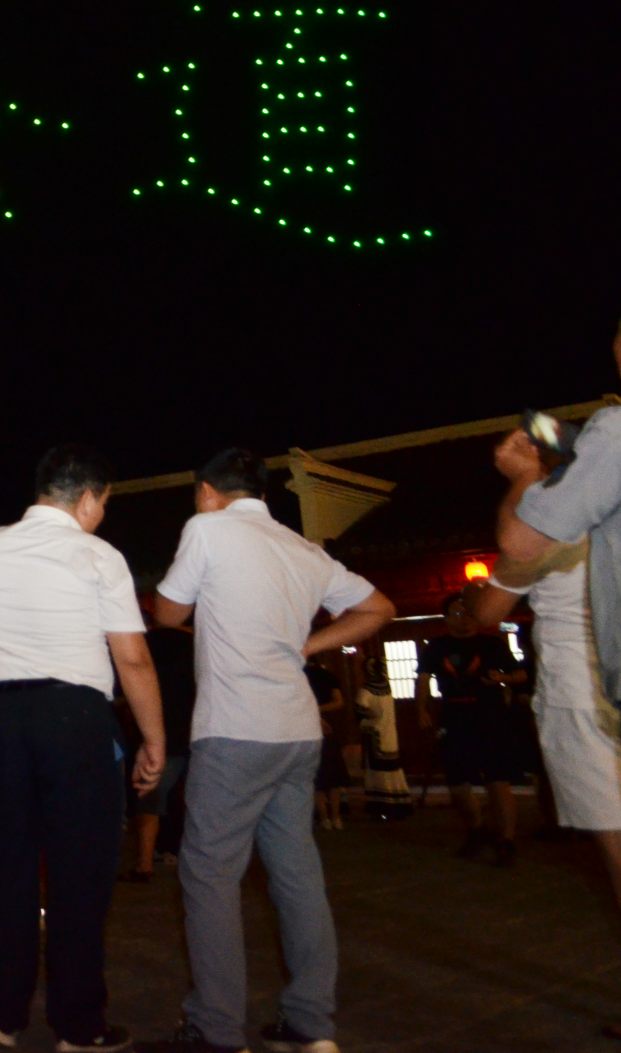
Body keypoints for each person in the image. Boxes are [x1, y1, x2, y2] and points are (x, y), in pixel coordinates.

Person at [139, 448, 395, 1053]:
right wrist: (307, 646)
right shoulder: (303, 549)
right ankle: (310, 1023)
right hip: (298, 731)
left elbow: (169, 611)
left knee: (209, 876)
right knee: (297, 875)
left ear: (208, 491)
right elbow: (379, 608)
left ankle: (216, 1029)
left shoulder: (207, 529)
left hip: (235, 729)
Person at [0, 445, 165, 1053]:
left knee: (11, 865)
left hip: (1, 716)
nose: (101, 515)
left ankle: (1, 1017)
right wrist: (154, 738)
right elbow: (132, 657)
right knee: (79, 873)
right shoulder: (97, 555)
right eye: (103, 504)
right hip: (74, 717)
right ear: (86, 499)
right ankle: (78, 1025)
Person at [471, 532, 621, 1041]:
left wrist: (479, 585)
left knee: (617, 848)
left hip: (584, 693)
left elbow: (487, 610)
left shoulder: (552, 519)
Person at [494, 322, 621, 711]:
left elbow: (521, 542)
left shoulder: (615, 431)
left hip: (572, 688)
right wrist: (574, 440)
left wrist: (525, 475)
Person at [415, 592, 524, 865]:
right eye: (457, 613)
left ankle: (506, 841)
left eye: (469, 613)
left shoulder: (492, 643)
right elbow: (423, 678)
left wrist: (502, 678)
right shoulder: (437, 646)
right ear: (447, 618)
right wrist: (421, 710)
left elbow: (520, 674)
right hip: (454, 715)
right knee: (458, 782)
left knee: (498, 780)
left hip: (490, 715)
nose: (464, 618)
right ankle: (476, 830)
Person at [123, 612, 196, 882]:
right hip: (200, 731)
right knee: (200, 802)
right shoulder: (200, 644)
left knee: (150, 800)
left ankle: (145, 863)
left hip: (161, 732)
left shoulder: (146, 644)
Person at [353, 656, 412, 820]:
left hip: (374, 737)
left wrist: (365, 719)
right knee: (392, 771)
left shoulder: (365, 691)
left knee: (377, 772)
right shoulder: (387, 689)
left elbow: (361, 711)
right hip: (390, 737)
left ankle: (382, 807)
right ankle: (398, 805)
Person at [305, 656, 349, 830]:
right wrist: (322, 711)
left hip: (308, 727)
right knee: (334, 773)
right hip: (330, 726)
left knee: (318, 775)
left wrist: (314, 712)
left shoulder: (301, 676)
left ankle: (324, 818)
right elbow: (339, 702)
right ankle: (336, 817)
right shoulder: (327, 675)